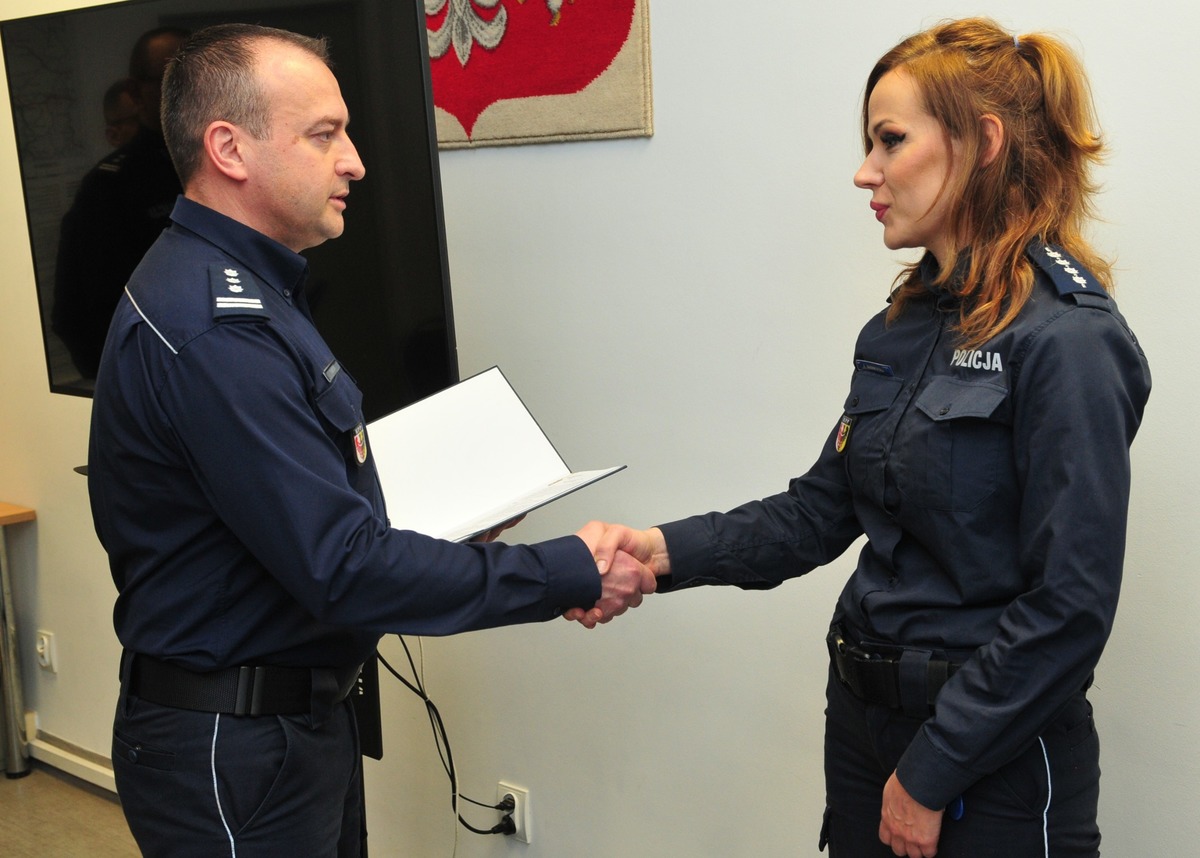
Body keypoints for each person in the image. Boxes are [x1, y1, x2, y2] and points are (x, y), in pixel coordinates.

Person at [573, 17, 1151, 858]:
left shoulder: (1069, 340)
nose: (865, 172)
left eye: (890, 141)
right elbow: (818, 512)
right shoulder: (901, 325)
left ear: (982, 143)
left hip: (986, 755)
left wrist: (931, 774)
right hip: (862, 724)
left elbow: (1069, 608)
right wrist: (655, 552)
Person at [87, 23, 653, 858]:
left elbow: (297, 517)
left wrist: (439, 529)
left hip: (287, 726)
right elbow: (342, 567)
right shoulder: (217, 329)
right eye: (323, 135)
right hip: (234, 745)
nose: (354, 161)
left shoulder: (252, 291)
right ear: (229, 149)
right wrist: (568, 569)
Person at [51, 27, 188, 380]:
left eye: (198, 76)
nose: (188, 91)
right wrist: (133, 385)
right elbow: (76, 313)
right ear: (136, 92)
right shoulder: (110, 186)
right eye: (170, 79)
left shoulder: (227, 162)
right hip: (156, 376)